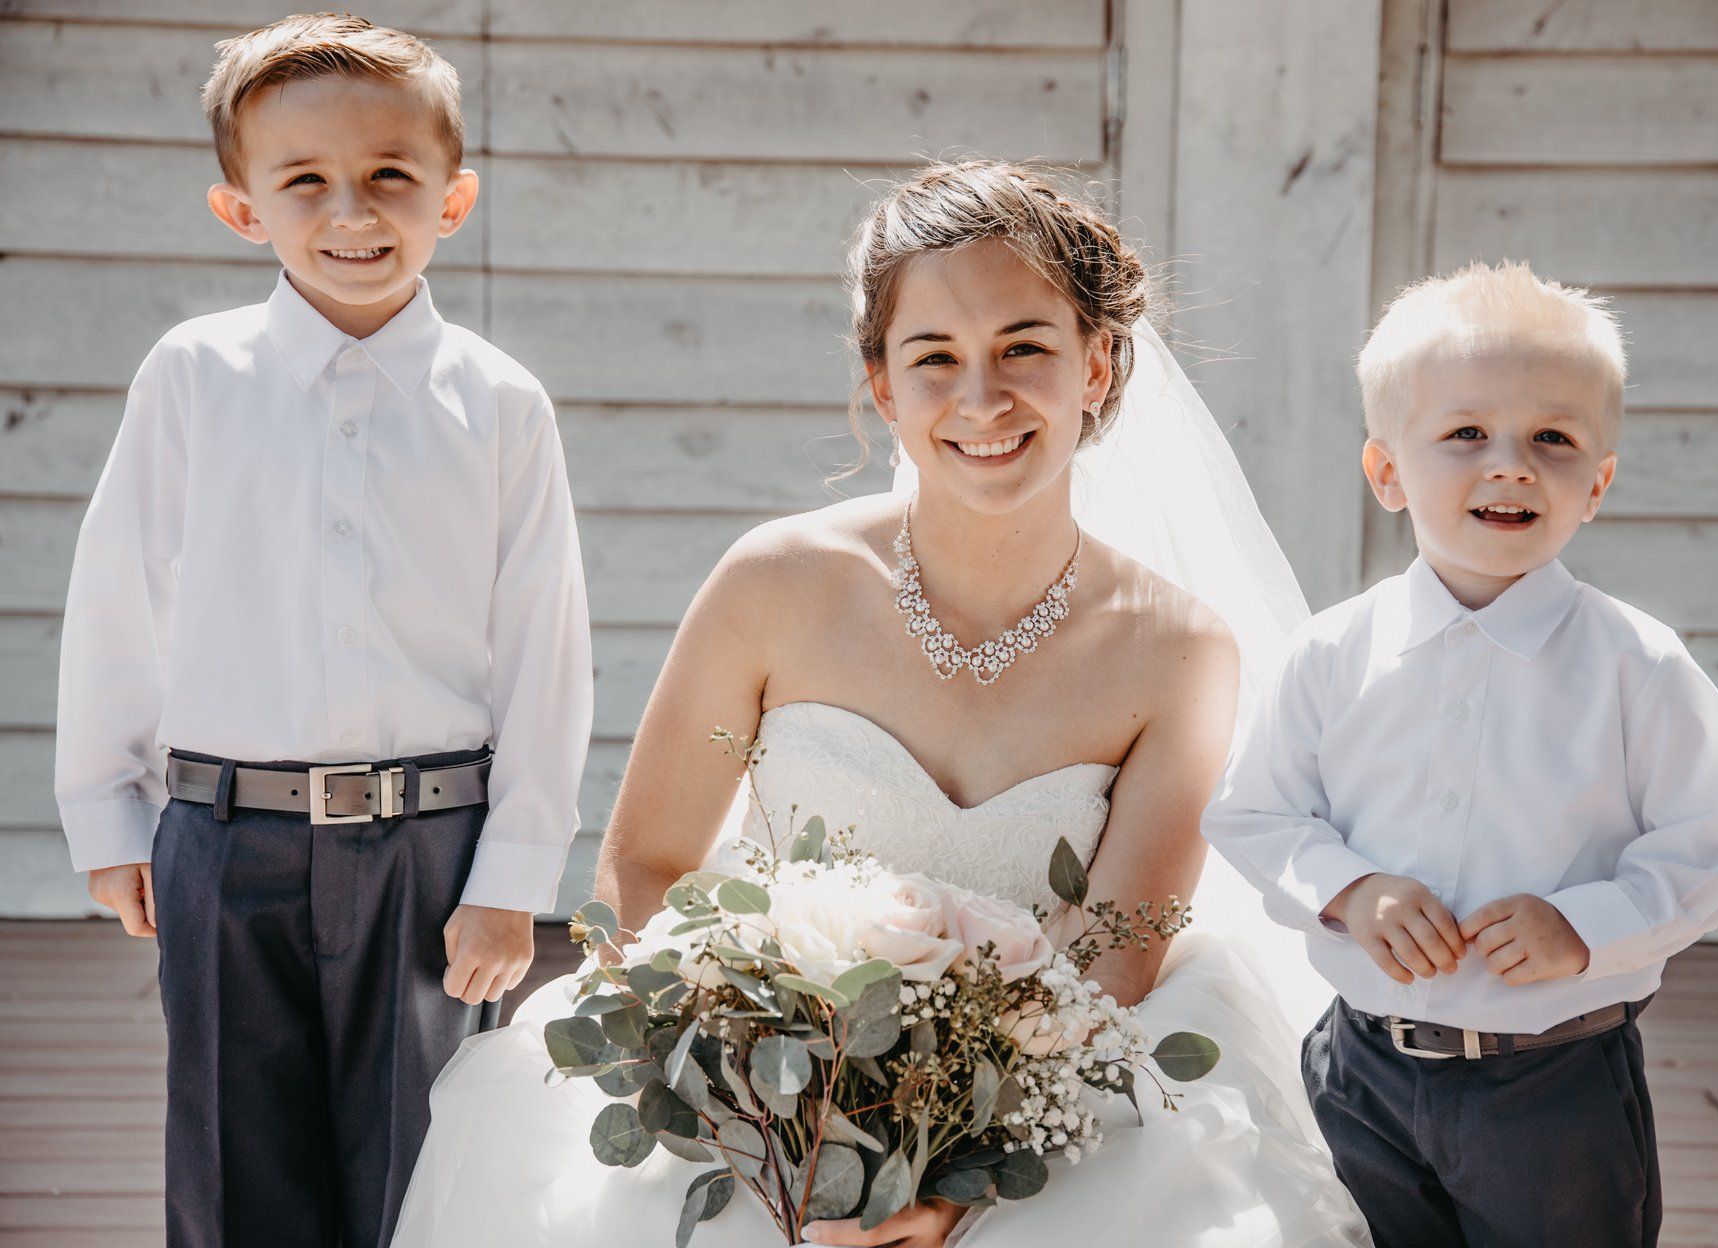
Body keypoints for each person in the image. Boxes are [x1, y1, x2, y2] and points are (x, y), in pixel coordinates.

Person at [392, 161, 1367, 1247]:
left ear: (1096, 364)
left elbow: (1116, 957)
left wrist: (958, 1175)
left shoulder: (1178, 652)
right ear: (883, 383)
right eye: (934, 357)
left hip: (1041, 1100)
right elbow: (648, 867)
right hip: (753, 1099)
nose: (982, 398)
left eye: (1025, 348)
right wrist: (761, 1113)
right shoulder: (773, 584)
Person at [53, 14, 593, 1247]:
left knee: (423, 1177)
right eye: (306, 181)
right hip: (222, 839)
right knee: (237, 1176)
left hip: (433, 850)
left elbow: (545, 648)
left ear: (453, 199)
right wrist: (107, 812)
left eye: (390, 174)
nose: (353, 211)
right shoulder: (194, 375)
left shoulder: (501, 404)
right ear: (242, 209)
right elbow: (120, 593)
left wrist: (514, 877)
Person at [1204, 261, 1718, 1248]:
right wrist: (1351, 890)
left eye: (1553, 439)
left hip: (1554, 1088)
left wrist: (1585, 926)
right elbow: (1255, 812)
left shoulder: (1634, 665)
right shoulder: (1332, 653)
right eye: (1466, 433)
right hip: (1362, 1072)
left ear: (1596, 485)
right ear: (1388, 472)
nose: (1510, 465)